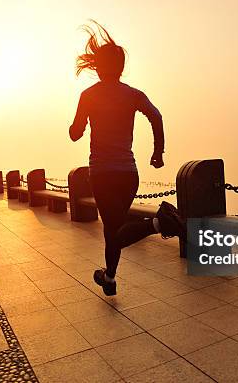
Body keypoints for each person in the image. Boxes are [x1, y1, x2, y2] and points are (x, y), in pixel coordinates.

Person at [69, 21, 185, 296]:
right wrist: (158, 152)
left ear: (99, 67)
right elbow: (156, 116)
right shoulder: (132, 94)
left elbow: (75, 134)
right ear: (120, 68)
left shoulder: (88, 95)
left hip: (102, 174)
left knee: (114, 229)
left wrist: (77, 127)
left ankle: (159, 223)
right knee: (114, 230)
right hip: (128, 174)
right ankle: (109, 278)